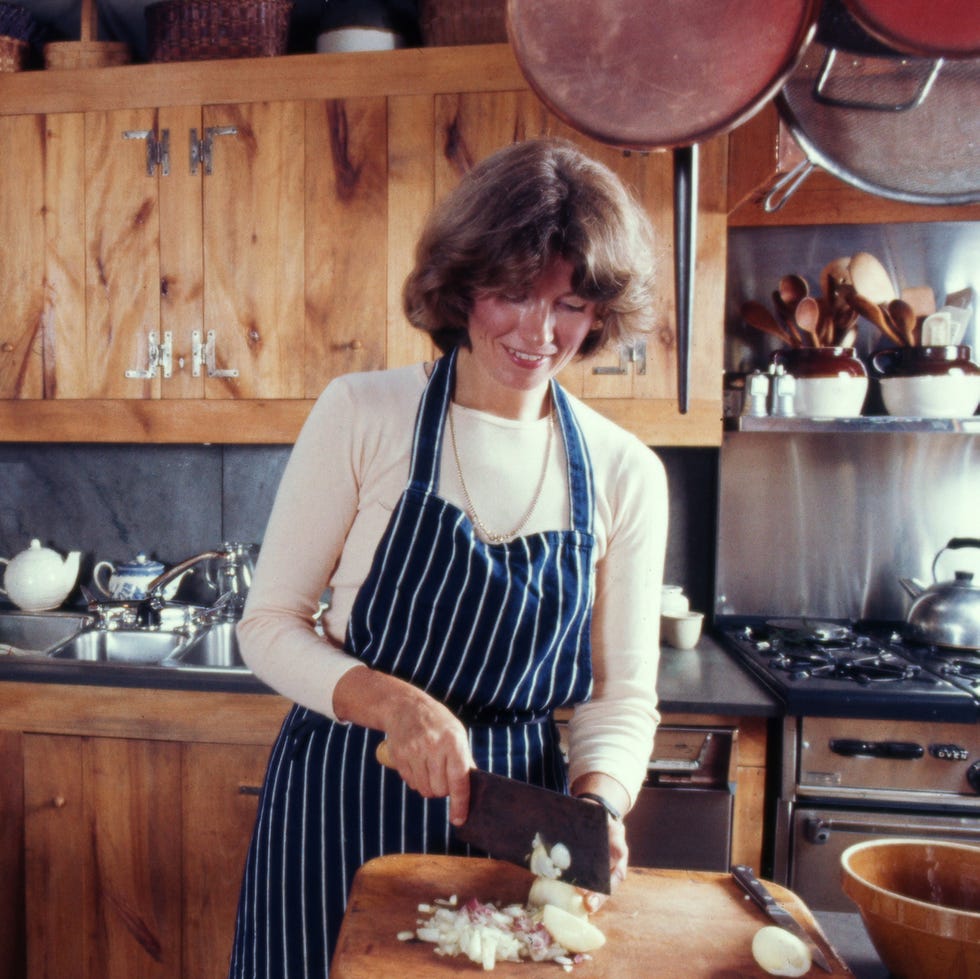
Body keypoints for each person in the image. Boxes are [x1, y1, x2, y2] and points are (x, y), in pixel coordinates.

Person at [228, 137, 667, 977]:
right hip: (342, 794)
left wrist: (597, 804)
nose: (540, 332)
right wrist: (394, 704)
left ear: (601, 313)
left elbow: (620, 693)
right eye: (514, 294)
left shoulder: (625, 472)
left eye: (571, 304)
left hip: (517, 826)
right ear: (463, 286)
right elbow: (269, 623)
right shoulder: (363, 412)